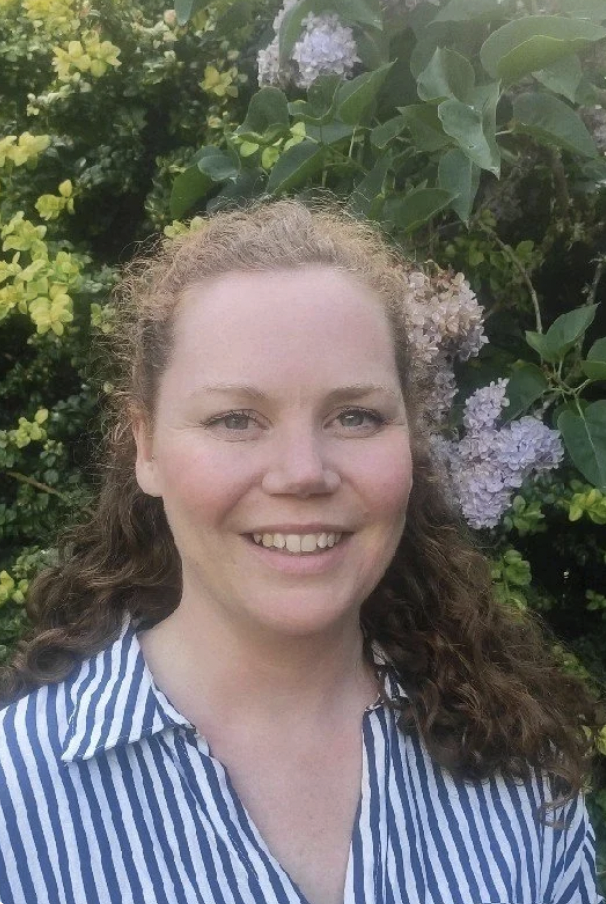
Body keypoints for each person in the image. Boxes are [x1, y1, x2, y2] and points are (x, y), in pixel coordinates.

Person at [0, 199, 602, 904]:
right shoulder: (16, 802)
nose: (302, 472)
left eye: (355, 416)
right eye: (234, 419)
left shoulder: (525, 780)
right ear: (146, 446)